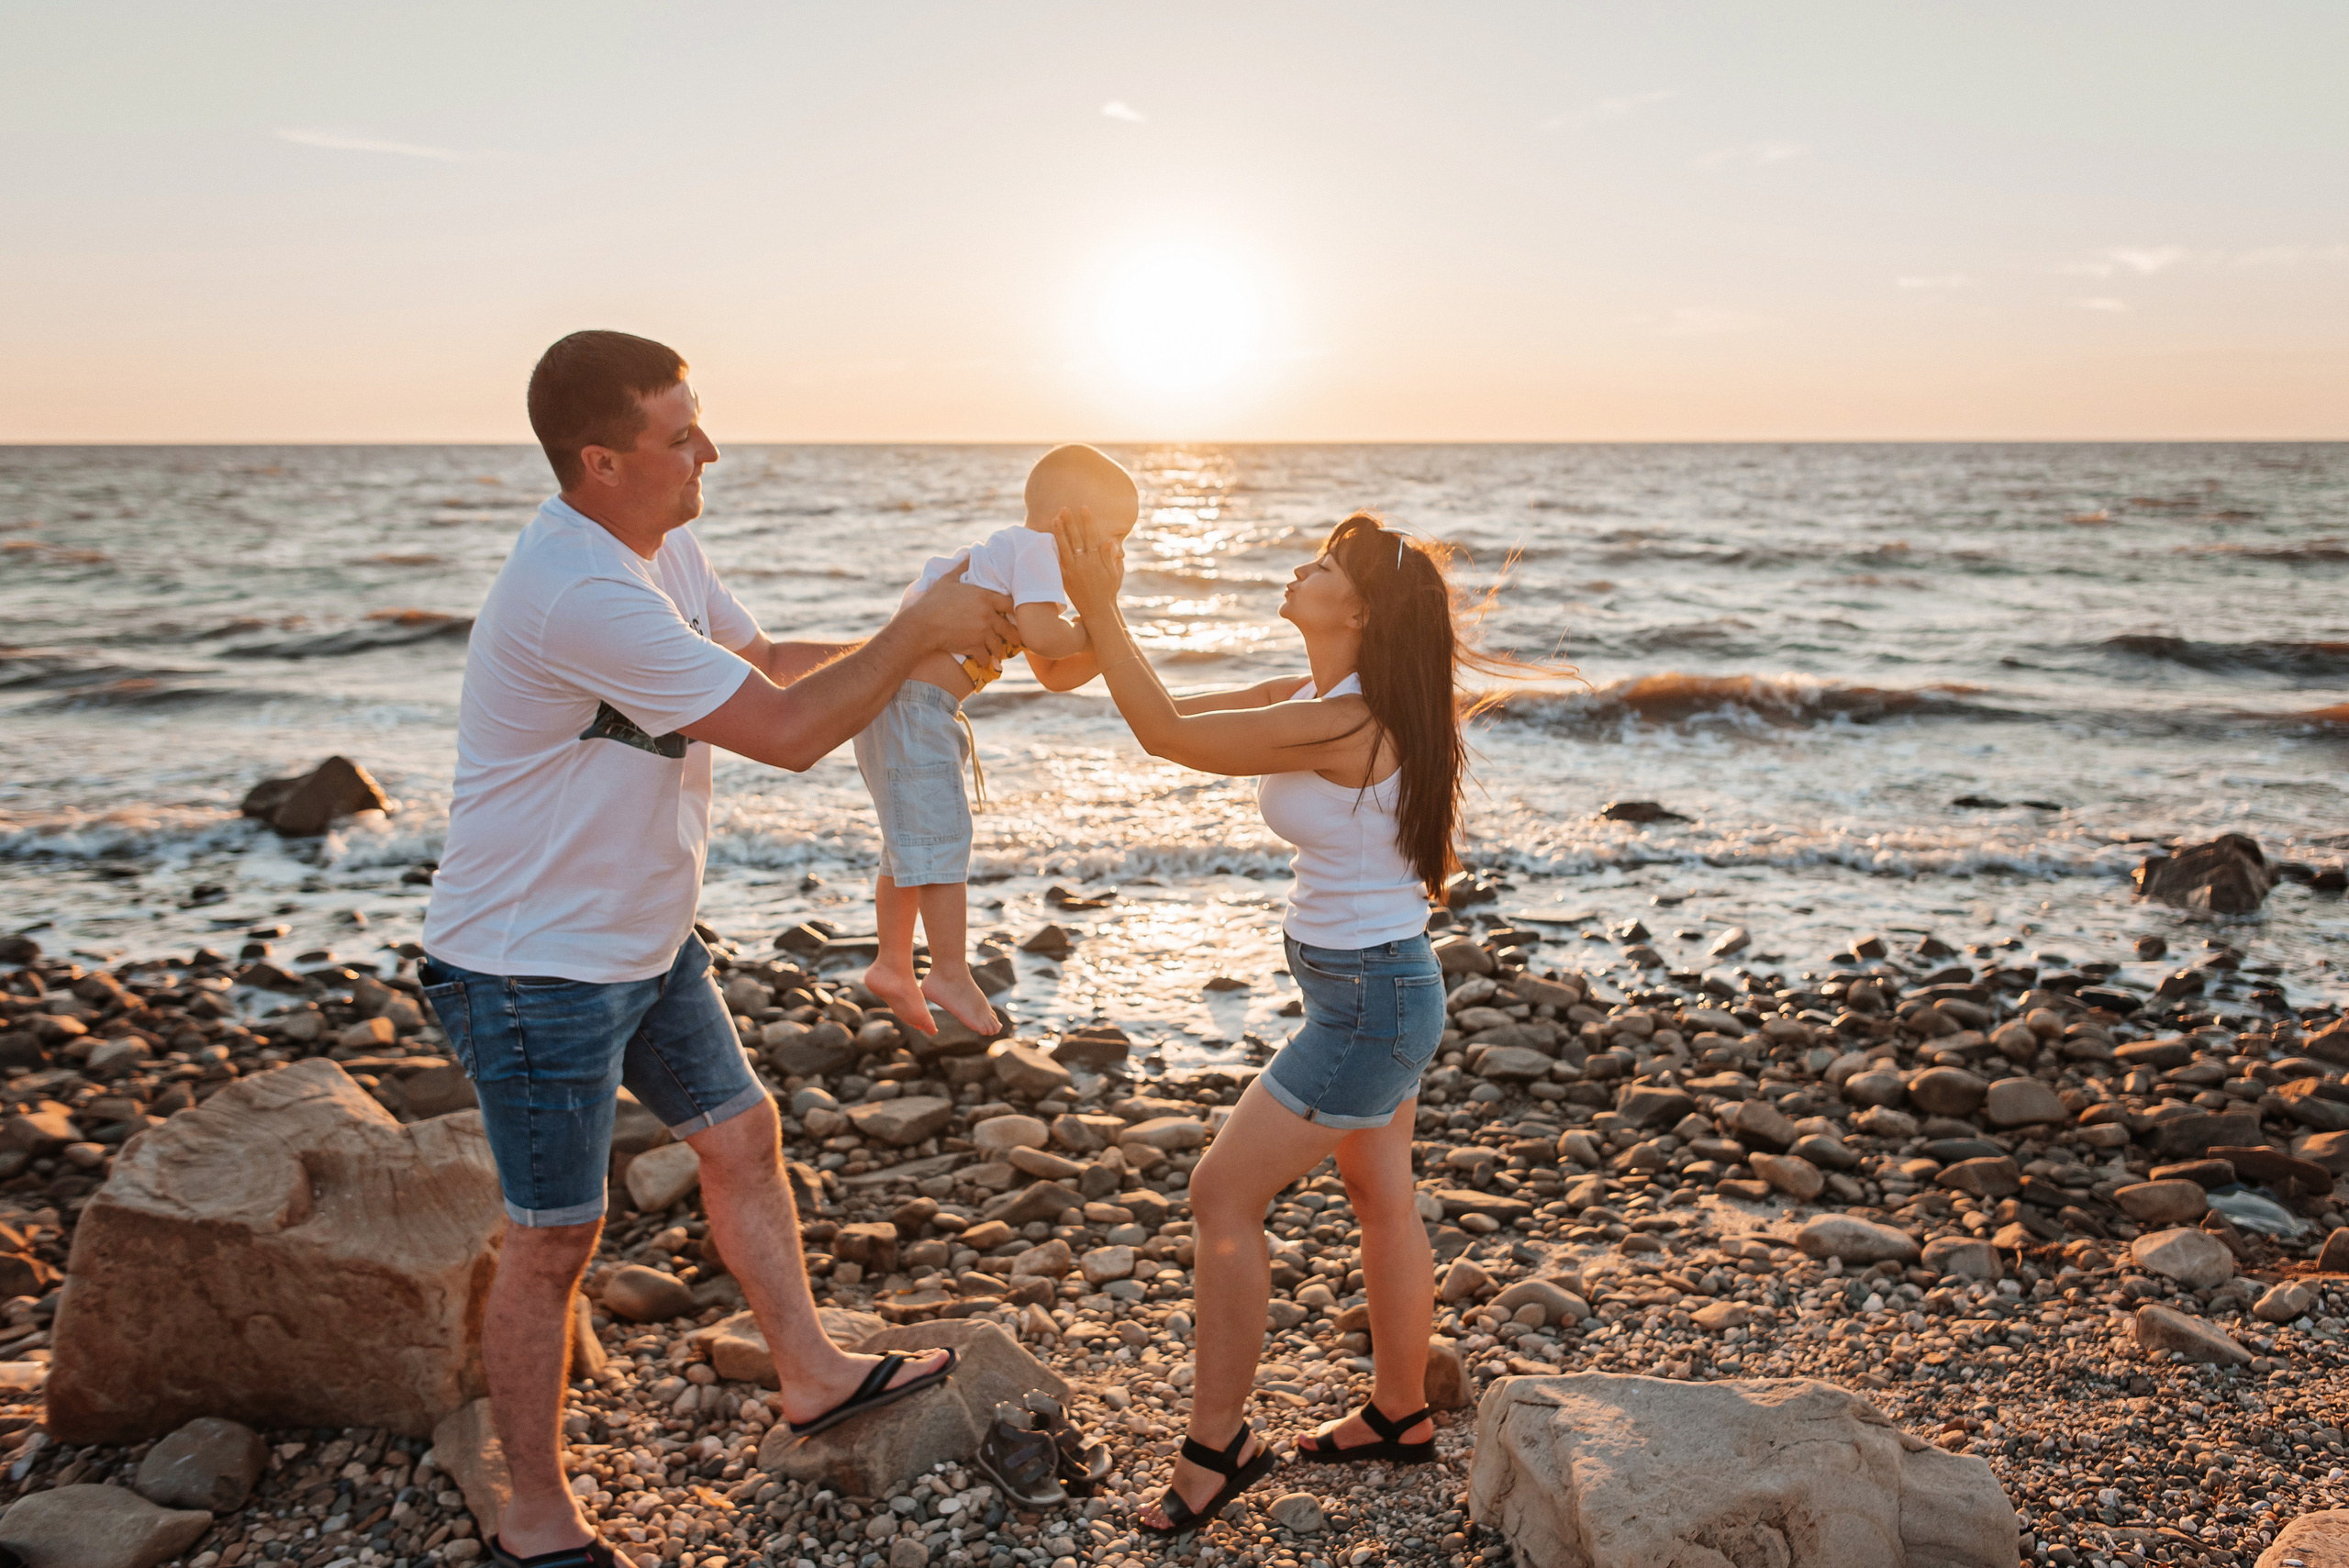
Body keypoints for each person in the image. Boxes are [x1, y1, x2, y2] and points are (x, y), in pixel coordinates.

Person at [419, 330, 1019, 1568]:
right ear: (600, 459)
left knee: (743, 1137)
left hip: (640, 941)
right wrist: (910, 636)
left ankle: (808, 1373)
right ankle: (534, 1511)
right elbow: (788, 730)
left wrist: (926, 653)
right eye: (680, 434)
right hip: (531, 966)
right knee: (552, 1240)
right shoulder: (577, 591)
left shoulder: (660, 546)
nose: (709, 449)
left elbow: (764, 668)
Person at [1052, 504, 1506, 1535]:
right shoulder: (1322, 695)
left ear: (1359, 608)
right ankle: (1398, 1413)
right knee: (1381, 1194)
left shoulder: (1348, 720)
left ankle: (1218, 1447)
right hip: (1378, 991)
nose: (1300, 569)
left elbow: (1164, 733)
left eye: (1324, 564)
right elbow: (1163, 705)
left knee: (1220, 1195)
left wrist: (1100, 605)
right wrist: (1075, 635)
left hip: (1367, 1009)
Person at [853, 444, 1139, 1038]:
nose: (1118, 551)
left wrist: (1106, 639)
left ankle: (891, 962)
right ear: (1070, 519)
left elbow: (1055, 673)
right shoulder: (1035, 549)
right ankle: (949, 971)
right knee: (942, 836)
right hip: (913, 707)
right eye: (1115, 534)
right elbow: (1041, 635)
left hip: (901, 705)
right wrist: (1098, 614)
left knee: (909, 841)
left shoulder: (1020, 559)